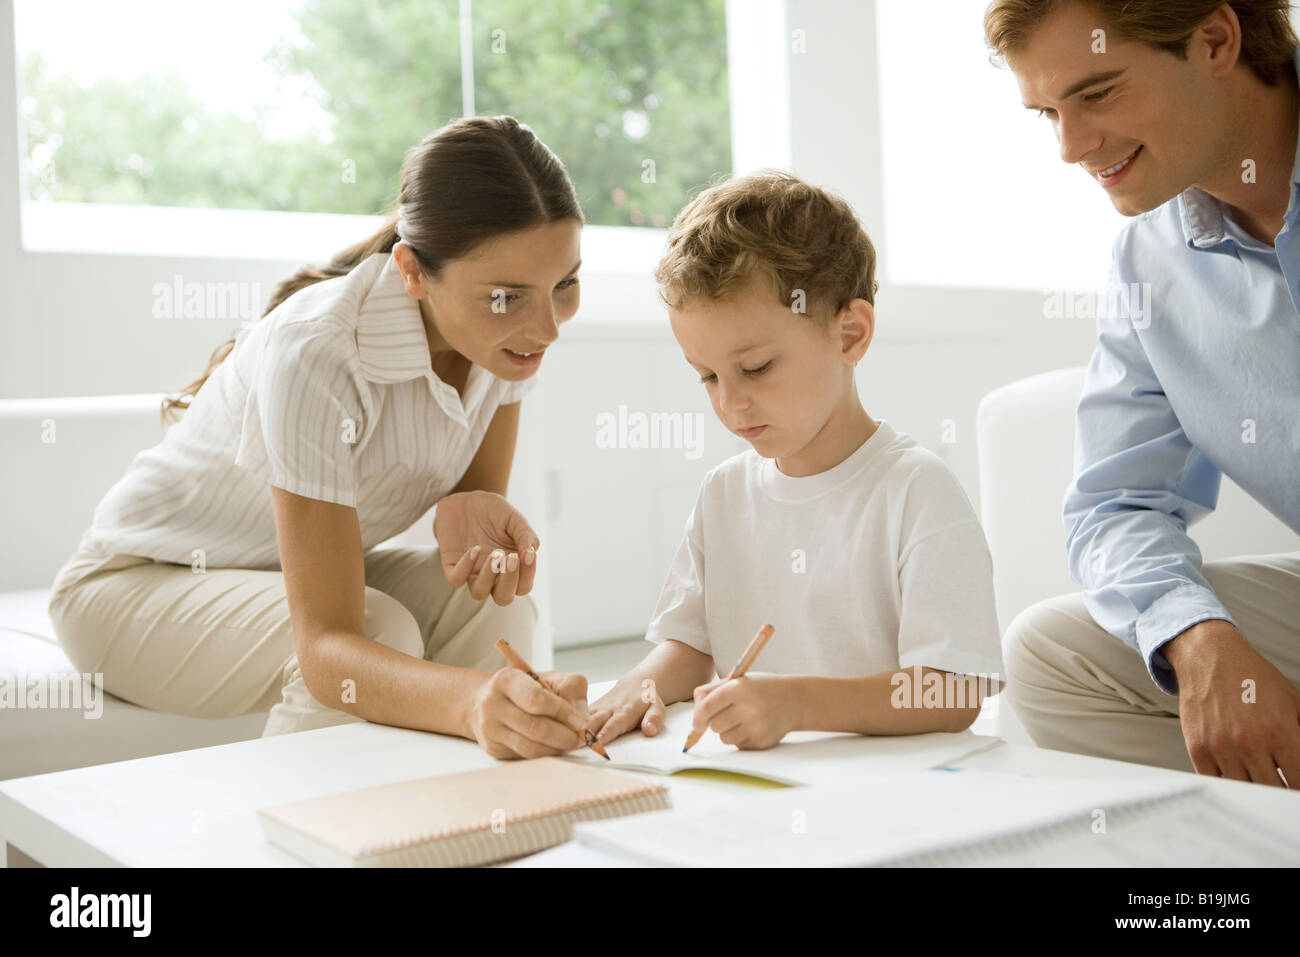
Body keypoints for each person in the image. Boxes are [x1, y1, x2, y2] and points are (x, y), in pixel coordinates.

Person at [47, 115, 593, 758]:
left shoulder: (503, 346)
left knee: (489, 606)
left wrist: (471, 516)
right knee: (376, 631)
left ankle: (472, 828)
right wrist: (472, 704)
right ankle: (305, 845)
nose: (547, 327)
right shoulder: (318, 349)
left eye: (564, 284)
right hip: (128, 587)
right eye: (506, 296)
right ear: (413, 271)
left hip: (277, 576)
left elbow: (470, 512)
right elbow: (329, 648)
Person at [984, 0, 1300, 785]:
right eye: (1047, 112)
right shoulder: (1148, 264)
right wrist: (1196, 636)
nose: (1069, 146)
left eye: (1096, 94)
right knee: (1050, 653)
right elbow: (1114, 506)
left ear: (1215, 40)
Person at [585, 171, 1004, 749]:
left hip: (892, 793)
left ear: (850, 334)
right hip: (763, 788)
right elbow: (689, 647)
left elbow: (956, 692)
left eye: (755, 367)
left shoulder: (916, 491)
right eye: (707, 376)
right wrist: (637, 686)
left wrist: (797, 704)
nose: (730, 403)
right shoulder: (723, 494)